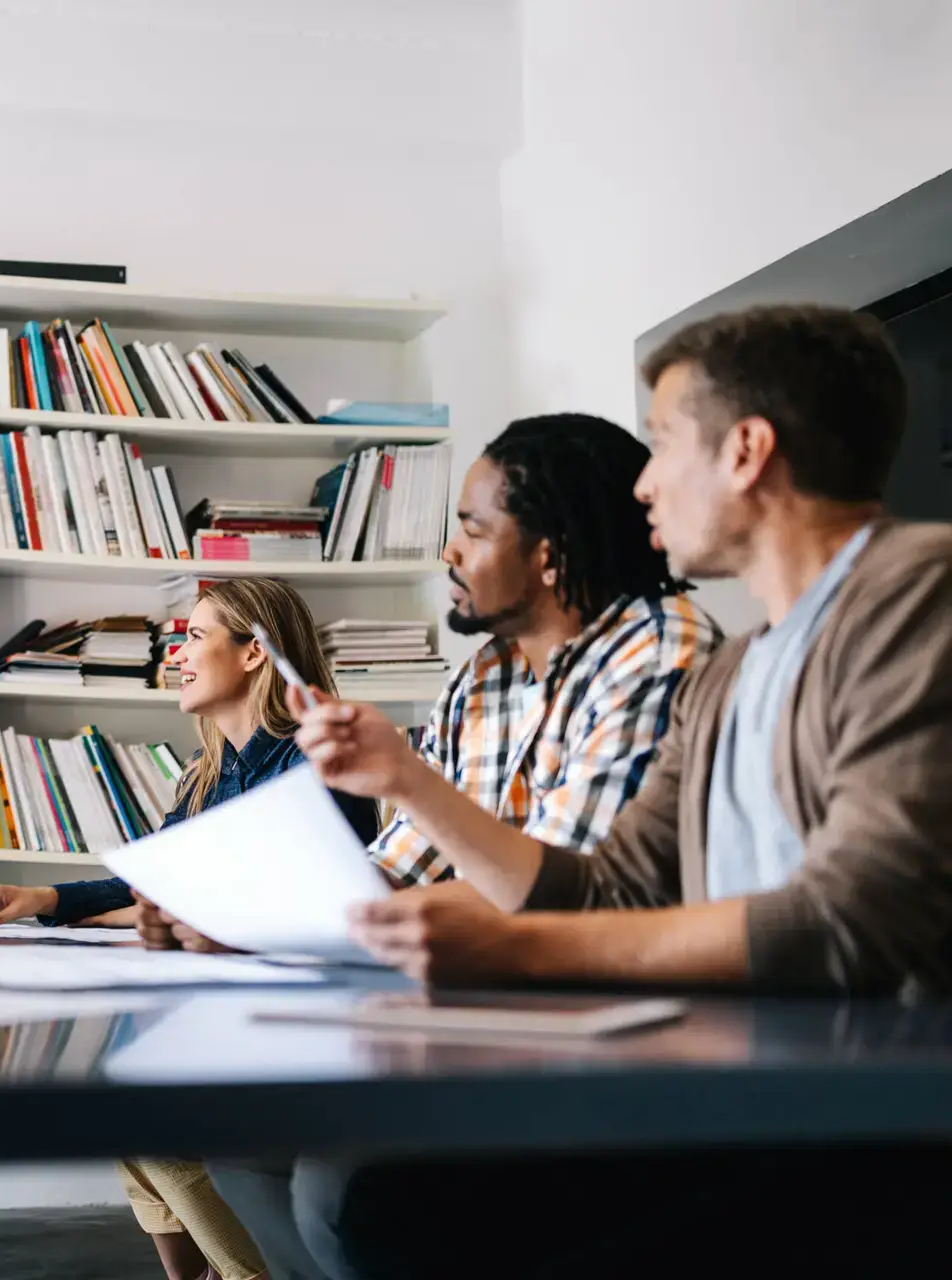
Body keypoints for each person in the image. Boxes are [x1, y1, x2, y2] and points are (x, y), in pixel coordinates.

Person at [275, 304, 952, 1276]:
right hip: (739, 1094)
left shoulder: (920, 593)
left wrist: (505, 942)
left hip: (869, 1126)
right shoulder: (732, 673)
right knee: (367, 1187)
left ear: (747, 452)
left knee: (378, 1197)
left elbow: (852, 915)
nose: (642, 483)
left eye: (666, 440)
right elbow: (609, 887)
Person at [139, 415, 721, 1279]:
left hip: (597, 1027)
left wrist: (343, 872)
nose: (448, 552)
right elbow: (392, 869)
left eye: (473, 529)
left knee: (347, 1187)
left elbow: (571, 899)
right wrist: (242, 918)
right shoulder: (482, 677)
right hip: (458, 1009)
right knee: (220, 1130)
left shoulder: (660, 654)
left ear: (550, 554)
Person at [0, 578, 378, 1280]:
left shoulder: (316, 760)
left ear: (253, 655)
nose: (177, 654)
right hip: (231, 998)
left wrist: (186, 915)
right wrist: (37, 897)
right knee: (122, 1091)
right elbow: (155, 882)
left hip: (307, 1017)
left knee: (149, 1110)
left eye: (195, 637)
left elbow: (309, 906)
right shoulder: (207, 772)